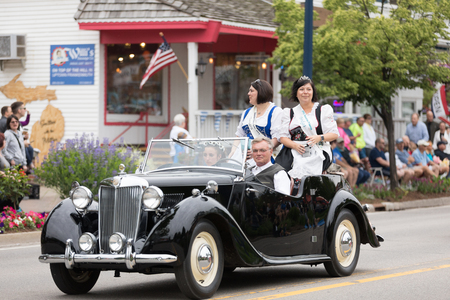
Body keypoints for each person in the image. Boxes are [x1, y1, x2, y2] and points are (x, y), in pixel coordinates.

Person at [276, 76, 339, 179]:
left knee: (305, 171)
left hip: (318, 150)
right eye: (301, 89)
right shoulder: (289, 113)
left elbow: (334, 134)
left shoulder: (323, 110)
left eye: (308, 89)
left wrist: (319, 137)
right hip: (294, 150)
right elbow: (283, 137)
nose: (305, 92)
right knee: (279, 174)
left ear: (313, 92)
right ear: (296, 93)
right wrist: (295, 146)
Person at [235, 79, 283, 161]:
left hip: (266, 158)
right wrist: (232, 154)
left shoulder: (275, 112)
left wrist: (258, 151)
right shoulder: (246, 113)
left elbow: (277, 139)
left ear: (261, 92)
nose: (248, 93)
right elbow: (239, 136)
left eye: (251, 91)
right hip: (245, 158)